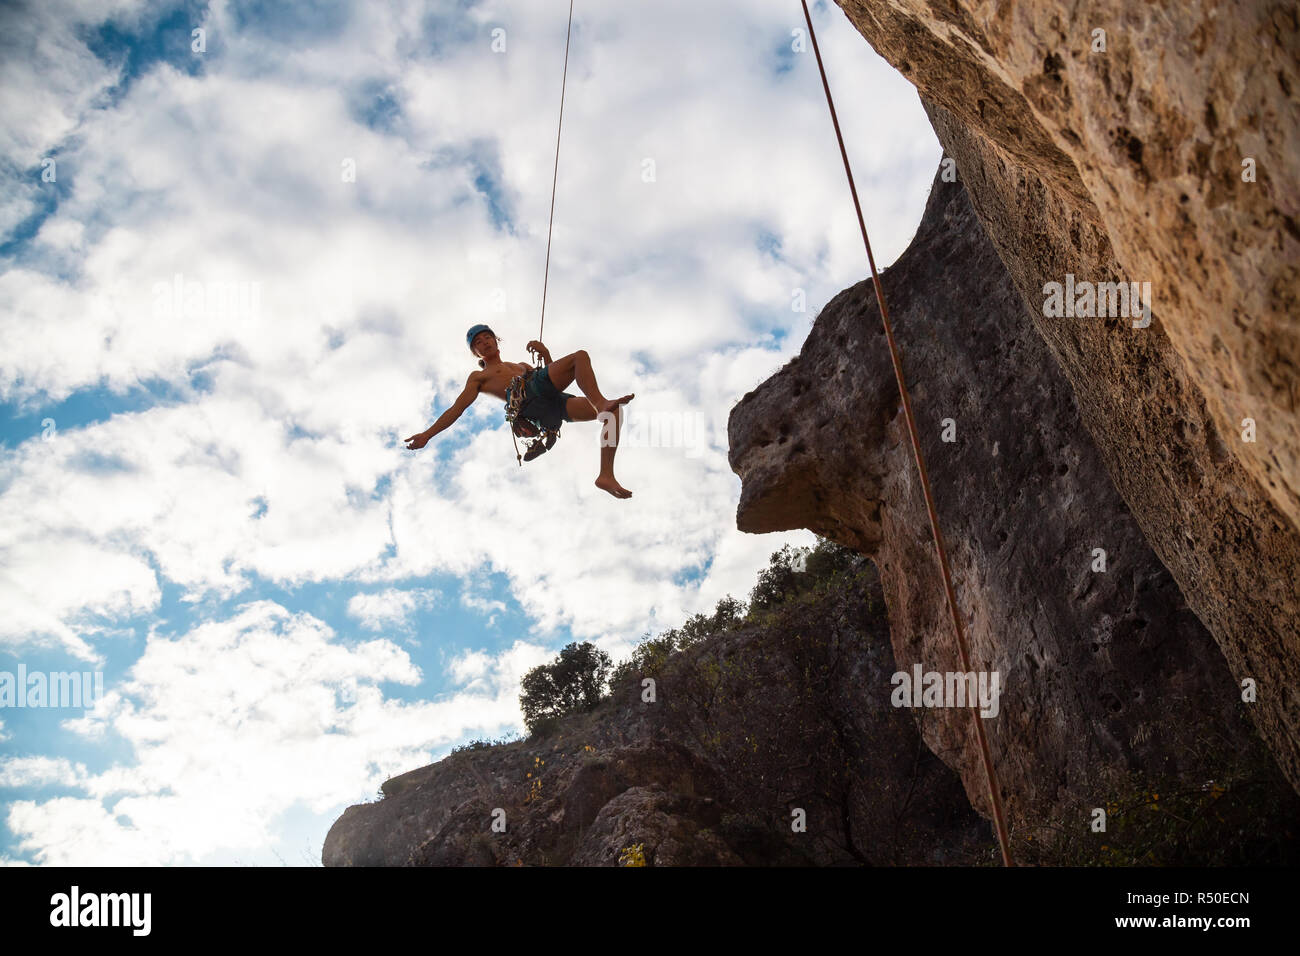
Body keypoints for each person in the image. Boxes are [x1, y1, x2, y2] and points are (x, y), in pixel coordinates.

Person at [404, 325, 634, 499]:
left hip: (550, 403)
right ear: (476, 353)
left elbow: (554, 381)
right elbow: (457, 408)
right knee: (580, 356)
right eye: (478, 342)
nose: (484, 342)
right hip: (528, 400)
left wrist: (545, 354)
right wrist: (428, 434)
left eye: (487, 337)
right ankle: (600, 402)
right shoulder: (479, 377)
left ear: (496, 341)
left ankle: (605, 474)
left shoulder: (521, 366)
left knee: (614, 414)